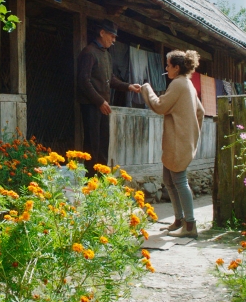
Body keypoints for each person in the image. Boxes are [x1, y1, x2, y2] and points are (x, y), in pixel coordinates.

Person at [140, 50, 204, 238]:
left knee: (180, 181)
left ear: (176, 67)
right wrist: (192, 131)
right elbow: (201, 111)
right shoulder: (188, 84)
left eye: (168, 65)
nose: (166, 68)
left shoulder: (178, 84)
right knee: (169, 180)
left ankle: (190, 225)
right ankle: (179, 220)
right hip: (181, 139)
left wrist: (146, 88)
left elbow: (160, 106)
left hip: (178, 141)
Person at [77, 20, 141, 175]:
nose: (114, 40)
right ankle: (91, 179)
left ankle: (102, 178)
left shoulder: (107, 55)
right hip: (91, 105)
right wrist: (99, 101)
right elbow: (83, 81)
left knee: (103, 143)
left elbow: (111, 79)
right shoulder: (89, 52)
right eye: (112, 36)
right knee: (92, 143)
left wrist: (128, 86)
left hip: (103, 105)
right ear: (102, 33)